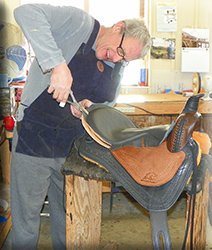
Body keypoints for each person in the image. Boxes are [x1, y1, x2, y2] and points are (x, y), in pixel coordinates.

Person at [11, 3, 151, 250]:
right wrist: (57, 65)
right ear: (118, 27)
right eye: (119, 50)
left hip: (72, 147)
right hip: (35, 137)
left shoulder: (118, 61)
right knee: (26, 220)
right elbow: (25, 12)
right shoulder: (79, 23)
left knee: (68, 219)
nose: (117, 58)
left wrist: (91, 107)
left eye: (124, 59)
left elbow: (108, 102)